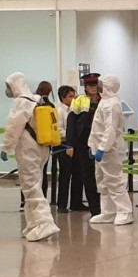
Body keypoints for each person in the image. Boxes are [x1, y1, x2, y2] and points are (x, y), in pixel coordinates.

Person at [1, 72, 61, 242]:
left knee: (30, 186)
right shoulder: (36, 99)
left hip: (28, 149)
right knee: (34, 185)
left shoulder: (21, 102)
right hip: (42, 148)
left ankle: (45, 222)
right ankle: (33, 224)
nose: (7, 90)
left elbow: (14, 126)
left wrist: (6, 146)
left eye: (8, 86)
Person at [88, 74, 133, 226]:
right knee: (102, 182)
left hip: (110, 149)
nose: (98, 86)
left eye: (100, 83)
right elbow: (97, 127)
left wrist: (102, 148)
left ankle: (124, 211)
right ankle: (108, 212)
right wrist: (92, 145)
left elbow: (111, 129)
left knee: (114, 180)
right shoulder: (104, 102)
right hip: (100, 147)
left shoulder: (112, 104)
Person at [66, 73, 101, 216]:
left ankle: (105, 208)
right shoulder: (79, 100)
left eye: (95, 85)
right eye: (90, 85)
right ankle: (95, 209)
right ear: (85, 87)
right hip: (83, 143)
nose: (93, 88)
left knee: (102, 177)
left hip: (101, 143)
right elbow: (71, 124)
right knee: (88, 176)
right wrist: (70, 144)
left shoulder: (104, 100)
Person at [55, 85, 85, 213]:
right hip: (63, 145)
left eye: (75, 95)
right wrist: (71, 135)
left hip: (77, 145)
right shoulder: (59, 111)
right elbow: (58, 130)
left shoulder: (76, 109)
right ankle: (62, 204)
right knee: (65, 175)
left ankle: (76, 203)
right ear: (63, 98)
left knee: (78, 174)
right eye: (70, 96)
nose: (73, 98)